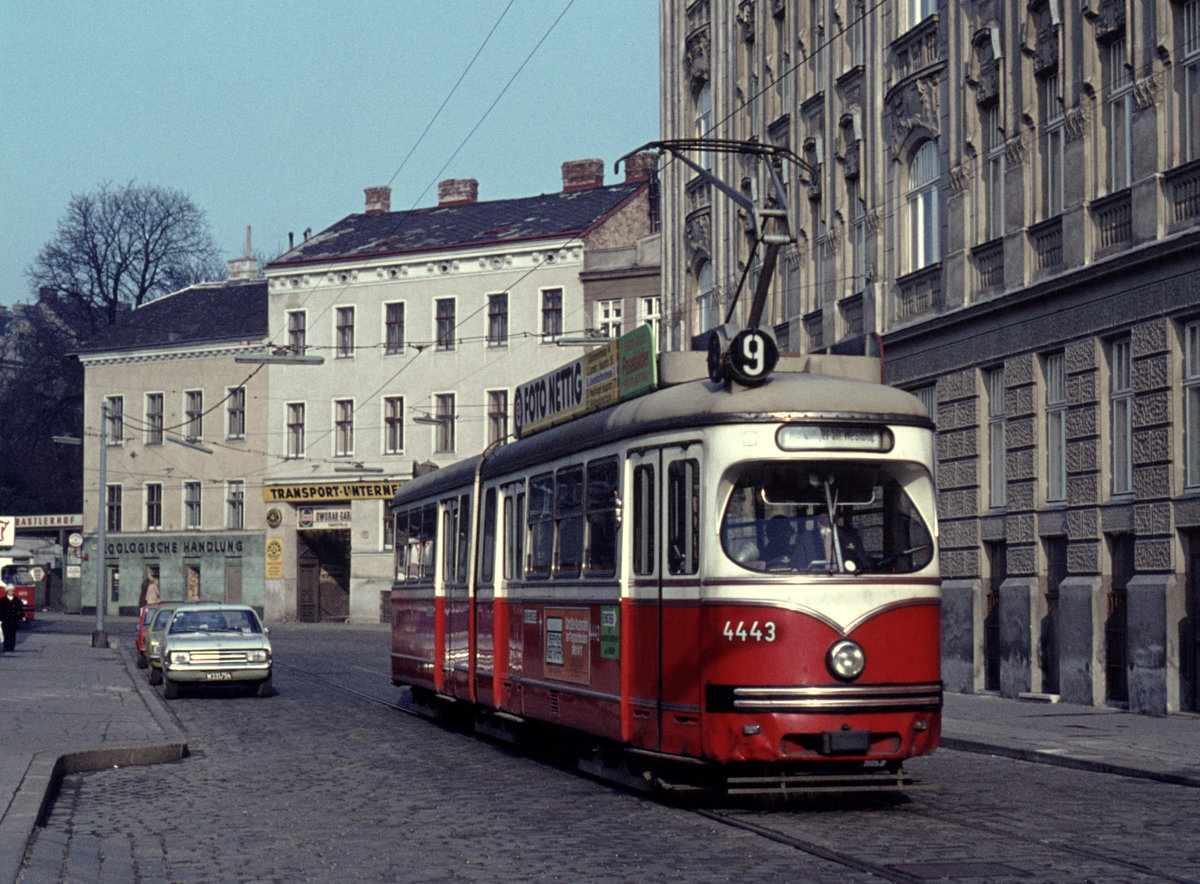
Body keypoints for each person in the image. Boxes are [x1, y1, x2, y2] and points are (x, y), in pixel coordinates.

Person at [0, 586, 27, 653]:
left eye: (12, 591)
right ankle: (6, 647)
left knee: (12, 634)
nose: (11, 592)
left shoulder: (16, 600)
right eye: (10, 591)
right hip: (5, 619)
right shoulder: (2, 600)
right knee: (6, 634)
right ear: (7, 591)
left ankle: (11, 647)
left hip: (13, 620)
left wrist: (23, 616)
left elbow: (20, 609)